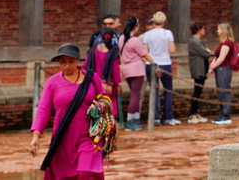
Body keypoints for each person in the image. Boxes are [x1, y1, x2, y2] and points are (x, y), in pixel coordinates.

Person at [29, 44, 107, 179]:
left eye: (71, 61)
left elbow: (104, 98)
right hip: (63, 137)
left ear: (78, 61)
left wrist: (101, 106)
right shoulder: (53, 82)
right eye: (63, 62)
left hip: (90, 136)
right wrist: (36, 136)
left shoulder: (92, 78)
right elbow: (43, 109)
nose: (67, 66)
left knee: (86, 173)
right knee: (64, 175)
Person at [142, 11, 180, 125]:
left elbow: (145, 52)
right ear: (163, 21)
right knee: (168, 90)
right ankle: (168, 117)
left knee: (154, 91)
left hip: (151, 63)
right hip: (165, 63)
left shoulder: (147, 34)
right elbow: (172, 50)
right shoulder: (168, 33)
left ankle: (156, 117)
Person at [119, 16, 155, 131]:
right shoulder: (135, 40)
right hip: (136, 69)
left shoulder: (122, 38)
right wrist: (154, 64)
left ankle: (133, 119)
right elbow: (145, 54)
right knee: (135, 95)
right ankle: (132, 121)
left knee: (134, 94)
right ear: (136, 27)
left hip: (127, 68)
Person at [84, 27, 121, 117]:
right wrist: (118, 83)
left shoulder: (93, 50)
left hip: (94, 83)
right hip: (109, 83)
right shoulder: (113, 51)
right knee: (110, 104)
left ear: (101, 36)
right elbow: (115, 69)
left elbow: (85, 65)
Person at [207, 22, 235, 125]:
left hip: (224, 69)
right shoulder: (222, 43)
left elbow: (221, 58)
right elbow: (216, 57)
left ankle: (226, 115)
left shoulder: (227, 43)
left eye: (218, 29)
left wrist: (213, 66)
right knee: (220, 92)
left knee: (224, 92)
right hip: (219, 69)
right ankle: (222, 114)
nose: (217, 31)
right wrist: (212, 67)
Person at [188, 22, 213, 124]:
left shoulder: (198, 41)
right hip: (198, 69)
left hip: (202, 69)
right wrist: (207, 51)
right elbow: (206, 53)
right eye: (203, 28)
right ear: (199, 29)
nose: (204, 30)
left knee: (198, 92)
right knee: (197, 92)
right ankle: (192, 114)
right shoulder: (194, 41)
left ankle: (195, 112)